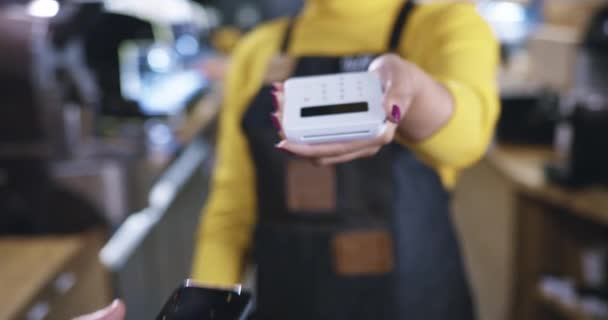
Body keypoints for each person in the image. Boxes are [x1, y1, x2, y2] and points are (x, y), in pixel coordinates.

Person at [192, 0, 499, 319]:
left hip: (412, 301)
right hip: (288, 301)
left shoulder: (443, 26)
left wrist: (416, 92)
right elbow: (232, 210)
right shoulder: (258, 49)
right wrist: (202, 310)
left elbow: (466, 141)